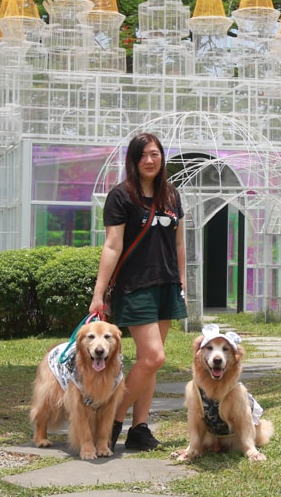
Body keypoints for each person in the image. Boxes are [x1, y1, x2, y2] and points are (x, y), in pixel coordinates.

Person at [89, 132, 187, 451]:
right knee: (154, 356)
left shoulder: (171, 196)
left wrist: (182, 281)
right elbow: (112, 245)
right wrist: (99, 293)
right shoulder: (121, 196)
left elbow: (179, 242)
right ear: (133, 160)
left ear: (162, 158)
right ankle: (112, 418)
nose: (149, 160)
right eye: (143, 155)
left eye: (155, 154)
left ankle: (139, 429)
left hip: (166, 285)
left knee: (151, 361)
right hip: (135, 287)